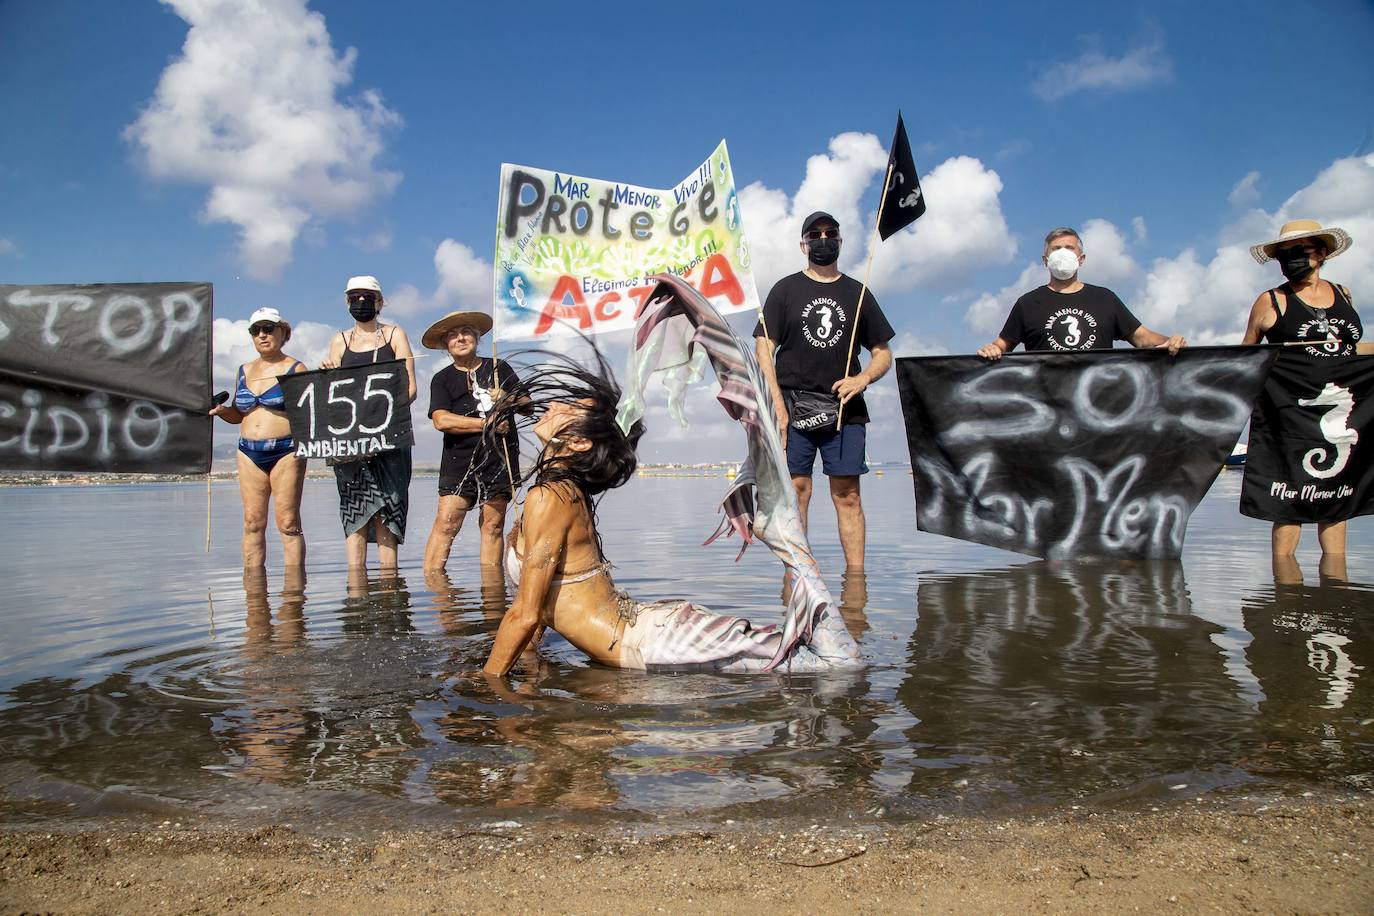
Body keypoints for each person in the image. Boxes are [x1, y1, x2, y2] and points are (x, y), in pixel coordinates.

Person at [481, 353, 858, 677]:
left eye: (571, 409)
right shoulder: (561, 493)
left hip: (653, 642)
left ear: (579, 442)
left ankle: (781, 536)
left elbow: (526, 613)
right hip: (651, 632)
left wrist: (484, 685)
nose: (556, 406)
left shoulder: (551, 497)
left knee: (838, 664)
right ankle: (783, 539)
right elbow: (536, 613)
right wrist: (528, 667)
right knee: (810, 659)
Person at [753, 211, 895, 571]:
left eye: (830, 232)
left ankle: (856, 585)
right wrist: (777, 408)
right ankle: (798, 577)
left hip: (846, 409)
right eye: (814, 234)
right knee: (797, 492)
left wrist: (862, 380)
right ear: (803, 244)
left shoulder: (857, 292)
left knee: (847, 495)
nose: (822, 238)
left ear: (840, 241)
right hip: (792, 406)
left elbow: (883, 354)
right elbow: (763, 349)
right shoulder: (785, 289)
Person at [1241, 219, 1371, 559]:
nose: (1290, 261)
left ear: (1322, 254)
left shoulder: (1343, 293)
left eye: (1298, 253)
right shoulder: (1270, 301)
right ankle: (1284, 595)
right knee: (1290, 503)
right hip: (1290, 415)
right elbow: (1247, 356)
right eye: (1284, 255)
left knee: (1337, 500)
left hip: (1342, 408)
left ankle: (1335, 592)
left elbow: (1350, 350)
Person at [320, 276, 418, 569]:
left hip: (391, 437)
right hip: (350, 441)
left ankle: (390, 587)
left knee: (389, 508)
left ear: (380, 301)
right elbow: (331, 394)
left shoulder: (395, 334)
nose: (361, 302)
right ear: (347, 301)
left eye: (367, 296)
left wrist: (381, 415)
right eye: (354, 297)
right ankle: (356, 587)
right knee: (355, 509)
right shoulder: (340, 340)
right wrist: (326, 374)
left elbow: (410, 387)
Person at [977, 226, 1186, 358]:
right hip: (1047, 409)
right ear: (1045, 260)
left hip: (1098, 406)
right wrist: (991, 349)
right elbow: (1002, 345)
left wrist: (1170, 342)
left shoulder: (1105, 299)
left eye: (1069, 248)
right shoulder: (1028, 303)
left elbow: (1142, 338)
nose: (1063, 253)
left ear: (1081, 258)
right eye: (1056, 249)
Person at [420, 310, 521, 571]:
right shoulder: (441, 379)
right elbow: (441, 420)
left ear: (476, 338)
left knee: (493, 525)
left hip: (500, 459)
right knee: (447, 523)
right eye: (453, 336)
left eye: (466, 332)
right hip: (459, 460)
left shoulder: (500, 368)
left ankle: (492, 594)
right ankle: (435, 588)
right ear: (446, 346)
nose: (460, 338)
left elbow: (528, 405)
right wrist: (486, 425)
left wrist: (506, 397)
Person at [209, 307, 309, 567]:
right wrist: (221, 411)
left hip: (286, 451)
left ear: (282, 332)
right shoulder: (243, 370)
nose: (262, 335)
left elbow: (311, 412)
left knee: (288, 523)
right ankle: (254, 599)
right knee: (253, 522)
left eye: (268, 328)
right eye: (256, 330)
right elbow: (239, 414)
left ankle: (294, 598)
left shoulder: (297, 368)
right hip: (248, 452)